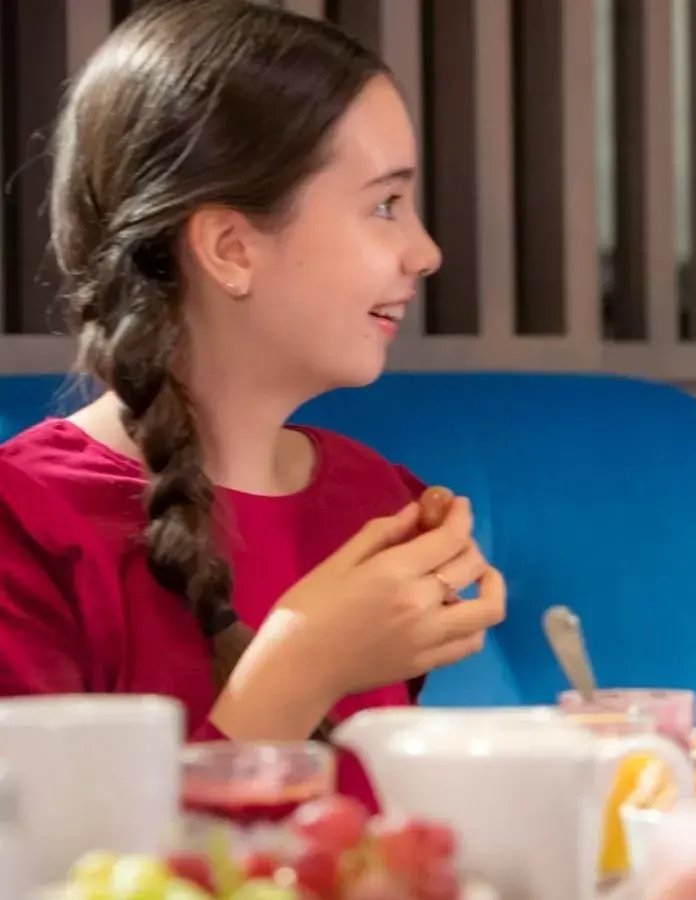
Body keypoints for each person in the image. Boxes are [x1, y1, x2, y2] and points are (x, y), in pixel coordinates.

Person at [0, 0, 505, 803]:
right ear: (230, 249)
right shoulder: (23, 524)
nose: (427, 251)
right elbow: (69, 872)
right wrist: (303, 666)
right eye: (384, 204)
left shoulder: (376, 500)